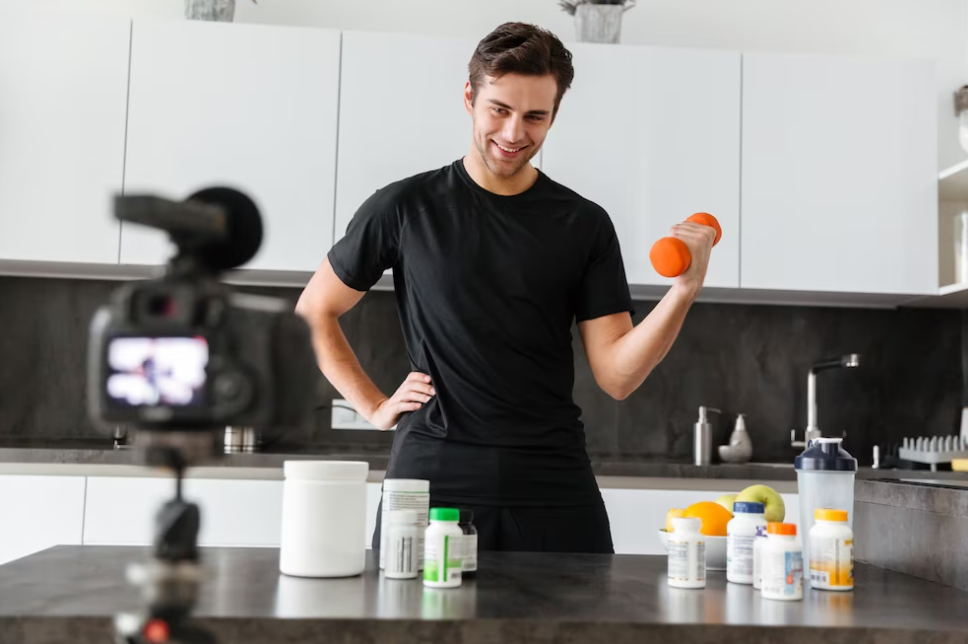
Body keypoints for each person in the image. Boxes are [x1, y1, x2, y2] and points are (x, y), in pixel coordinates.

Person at [295, 22, 715, 554]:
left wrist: (684, 290)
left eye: (535, 116)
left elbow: (617, 377)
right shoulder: (404, 208)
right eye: (499, 109)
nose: (515, 133)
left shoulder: (583, 225)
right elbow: (315, 310)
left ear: (554, 115)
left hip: (551, 480)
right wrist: (374, 405)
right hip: (431, 475)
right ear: (469, 98)